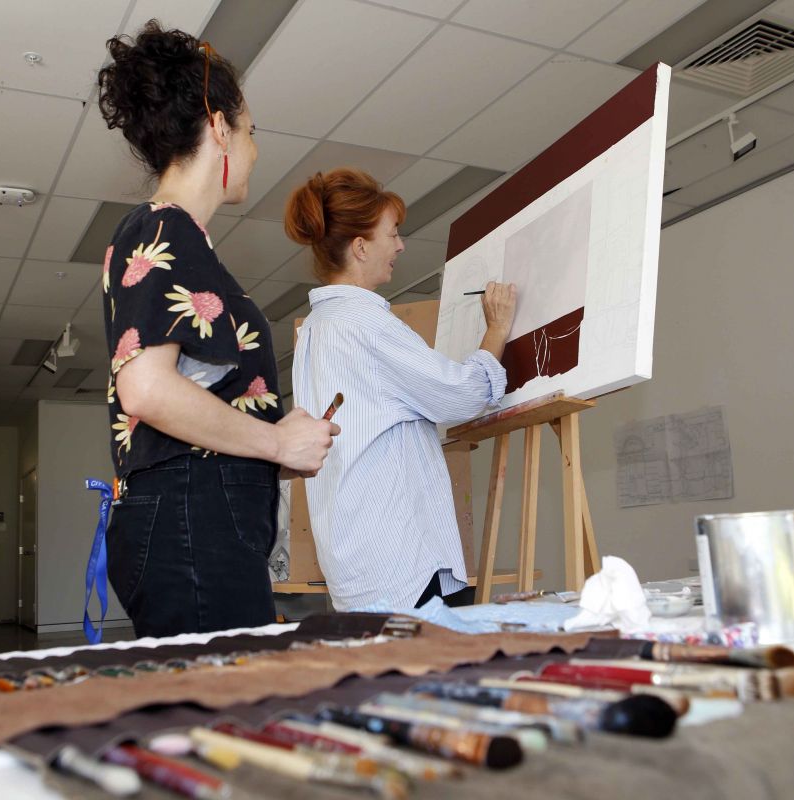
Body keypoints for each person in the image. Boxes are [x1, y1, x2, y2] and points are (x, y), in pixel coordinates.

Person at [96, 22, 338, 638]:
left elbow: (190, 407)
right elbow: (146, 391)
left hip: (194, 518)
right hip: (191, 522)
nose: (255, 150)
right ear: (221, 127)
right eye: (251, 131)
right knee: (222, 715)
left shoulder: (180, 241)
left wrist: (273, 439)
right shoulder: (163, 229)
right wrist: (278, 446)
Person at [285, 168, 516, 612]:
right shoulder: (365, 322)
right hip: (397, 562)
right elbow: (463, 395)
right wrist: (497, 329)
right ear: (360, 247)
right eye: (392, 234)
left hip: (359, 562)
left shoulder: (316, 329)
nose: (400, 245)